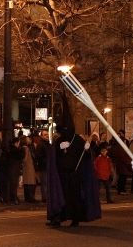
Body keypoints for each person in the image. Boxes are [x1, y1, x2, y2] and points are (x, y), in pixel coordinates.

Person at [46, 93, 101, 227]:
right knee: (61, 196)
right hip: (61, 174)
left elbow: (86, 157)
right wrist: (58, 147)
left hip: (74, 174)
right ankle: (58, 217)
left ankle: (75, 218)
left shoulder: (77, 140)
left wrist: (88, 148)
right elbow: (54, 156)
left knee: (74, 197)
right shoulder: (59, 140)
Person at [21, 136, 38, 203]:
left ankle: (28, 197)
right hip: (29, 167)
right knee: (31, 182)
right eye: (27, 139)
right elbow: (25, 159)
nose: (29, 139)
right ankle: (31, 198)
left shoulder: (24, 148)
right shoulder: (26, 148)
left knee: (27, 182)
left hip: (27, 167)